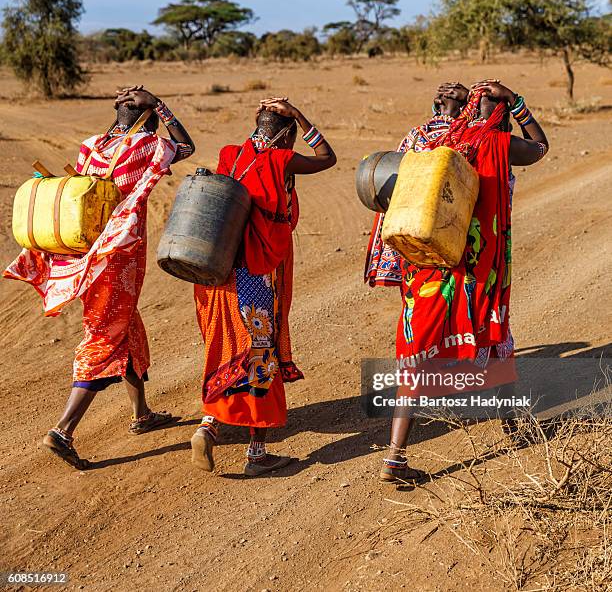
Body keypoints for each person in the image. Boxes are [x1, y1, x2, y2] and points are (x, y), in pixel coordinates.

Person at [4, 87, 195, 469]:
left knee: (127, 328)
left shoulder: (91, 146)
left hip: (87, 253)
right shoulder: (147, 146)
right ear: (149, 119)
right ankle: (63, 430)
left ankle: (142, 413)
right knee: (105, 336)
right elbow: (185, 147)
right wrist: (159, 104)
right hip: (118, 256)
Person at [379, 81, 549, 483]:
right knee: (492, 335)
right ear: (501, 114)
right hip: (479, 268)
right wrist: (519, 103)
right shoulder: (501, 144)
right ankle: (511, 427)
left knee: (415, 357)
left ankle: (395, 457)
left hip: (429, 269)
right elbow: (540, 147)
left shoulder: (444, 141)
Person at [191, 98, 336, 477]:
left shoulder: (230, 154)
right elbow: (327, 157)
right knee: (259, 358)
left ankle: (208, 425)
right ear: (287, 136)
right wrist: (301, 116)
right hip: (254, 277)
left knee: (223, 349)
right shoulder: (282, 160)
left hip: (219, 272)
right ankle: (256, 453)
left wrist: (274, 121)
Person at [365, 82, 469, 288]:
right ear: (463, 108)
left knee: (416, 294)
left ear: (436, 106)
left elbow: (393, 185)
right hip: (452, 236)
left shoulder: (415, 137)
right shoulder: (466, 138)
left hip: (411, 234)